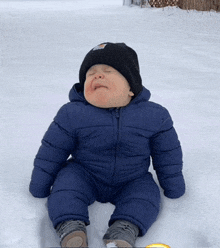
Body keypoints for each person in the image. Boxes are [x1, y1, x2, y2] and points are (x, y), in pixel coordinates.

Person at [29, 42, 185, 248]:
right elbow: (51, 152)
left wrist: (173, 186)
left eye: (108, 71)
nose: (97, 76)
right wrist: (39, 185)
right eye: (90, 73)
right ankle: (70, 227)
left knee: (146, 196)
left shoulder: (155, 116)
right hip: (84, 173)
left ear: (131, 87)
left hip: (133, 178)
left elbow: (167, 154)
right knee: (66, 187)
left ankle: (125, 228)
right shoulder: (72, 113)